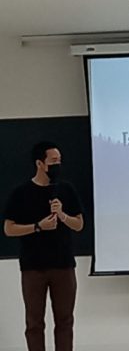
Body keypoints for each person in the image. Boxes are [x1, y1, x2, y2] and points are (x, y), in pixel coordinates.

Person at [3, 141, 84, 351]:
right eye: (53, 161)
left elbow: (79, 224)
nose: (58, 165)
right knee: (34, 322)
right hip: (33, 267)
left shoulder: (66, 189)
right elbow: (9, 229)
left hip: (63, 265)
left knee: (65, 320)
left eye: (60, 161)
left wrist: (62, 215)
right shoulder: (20, 193)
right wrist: (38, 227)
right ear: (40, 163)